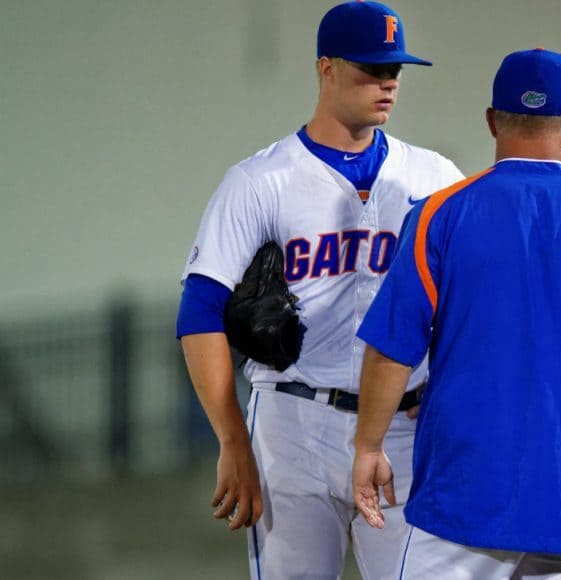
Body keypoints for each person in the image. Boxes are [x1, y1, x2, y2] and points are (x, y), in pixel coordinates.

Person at [350, 49, 561, 580]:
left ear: (491, 120)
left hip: (463, 496)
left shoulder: (440, 213)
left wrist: (368, 445)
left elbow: (393, 348)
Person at [175, 2, 464, 578]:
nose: (387, 83)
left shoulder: (435, 178)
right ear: (325, 68)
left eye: (395, 71)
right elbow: (200, 311)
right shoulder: (261, 181)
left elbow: (469, 304)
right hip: (293, 422)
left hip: (401, 429)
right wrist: (232, 440)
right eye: (370, 69)